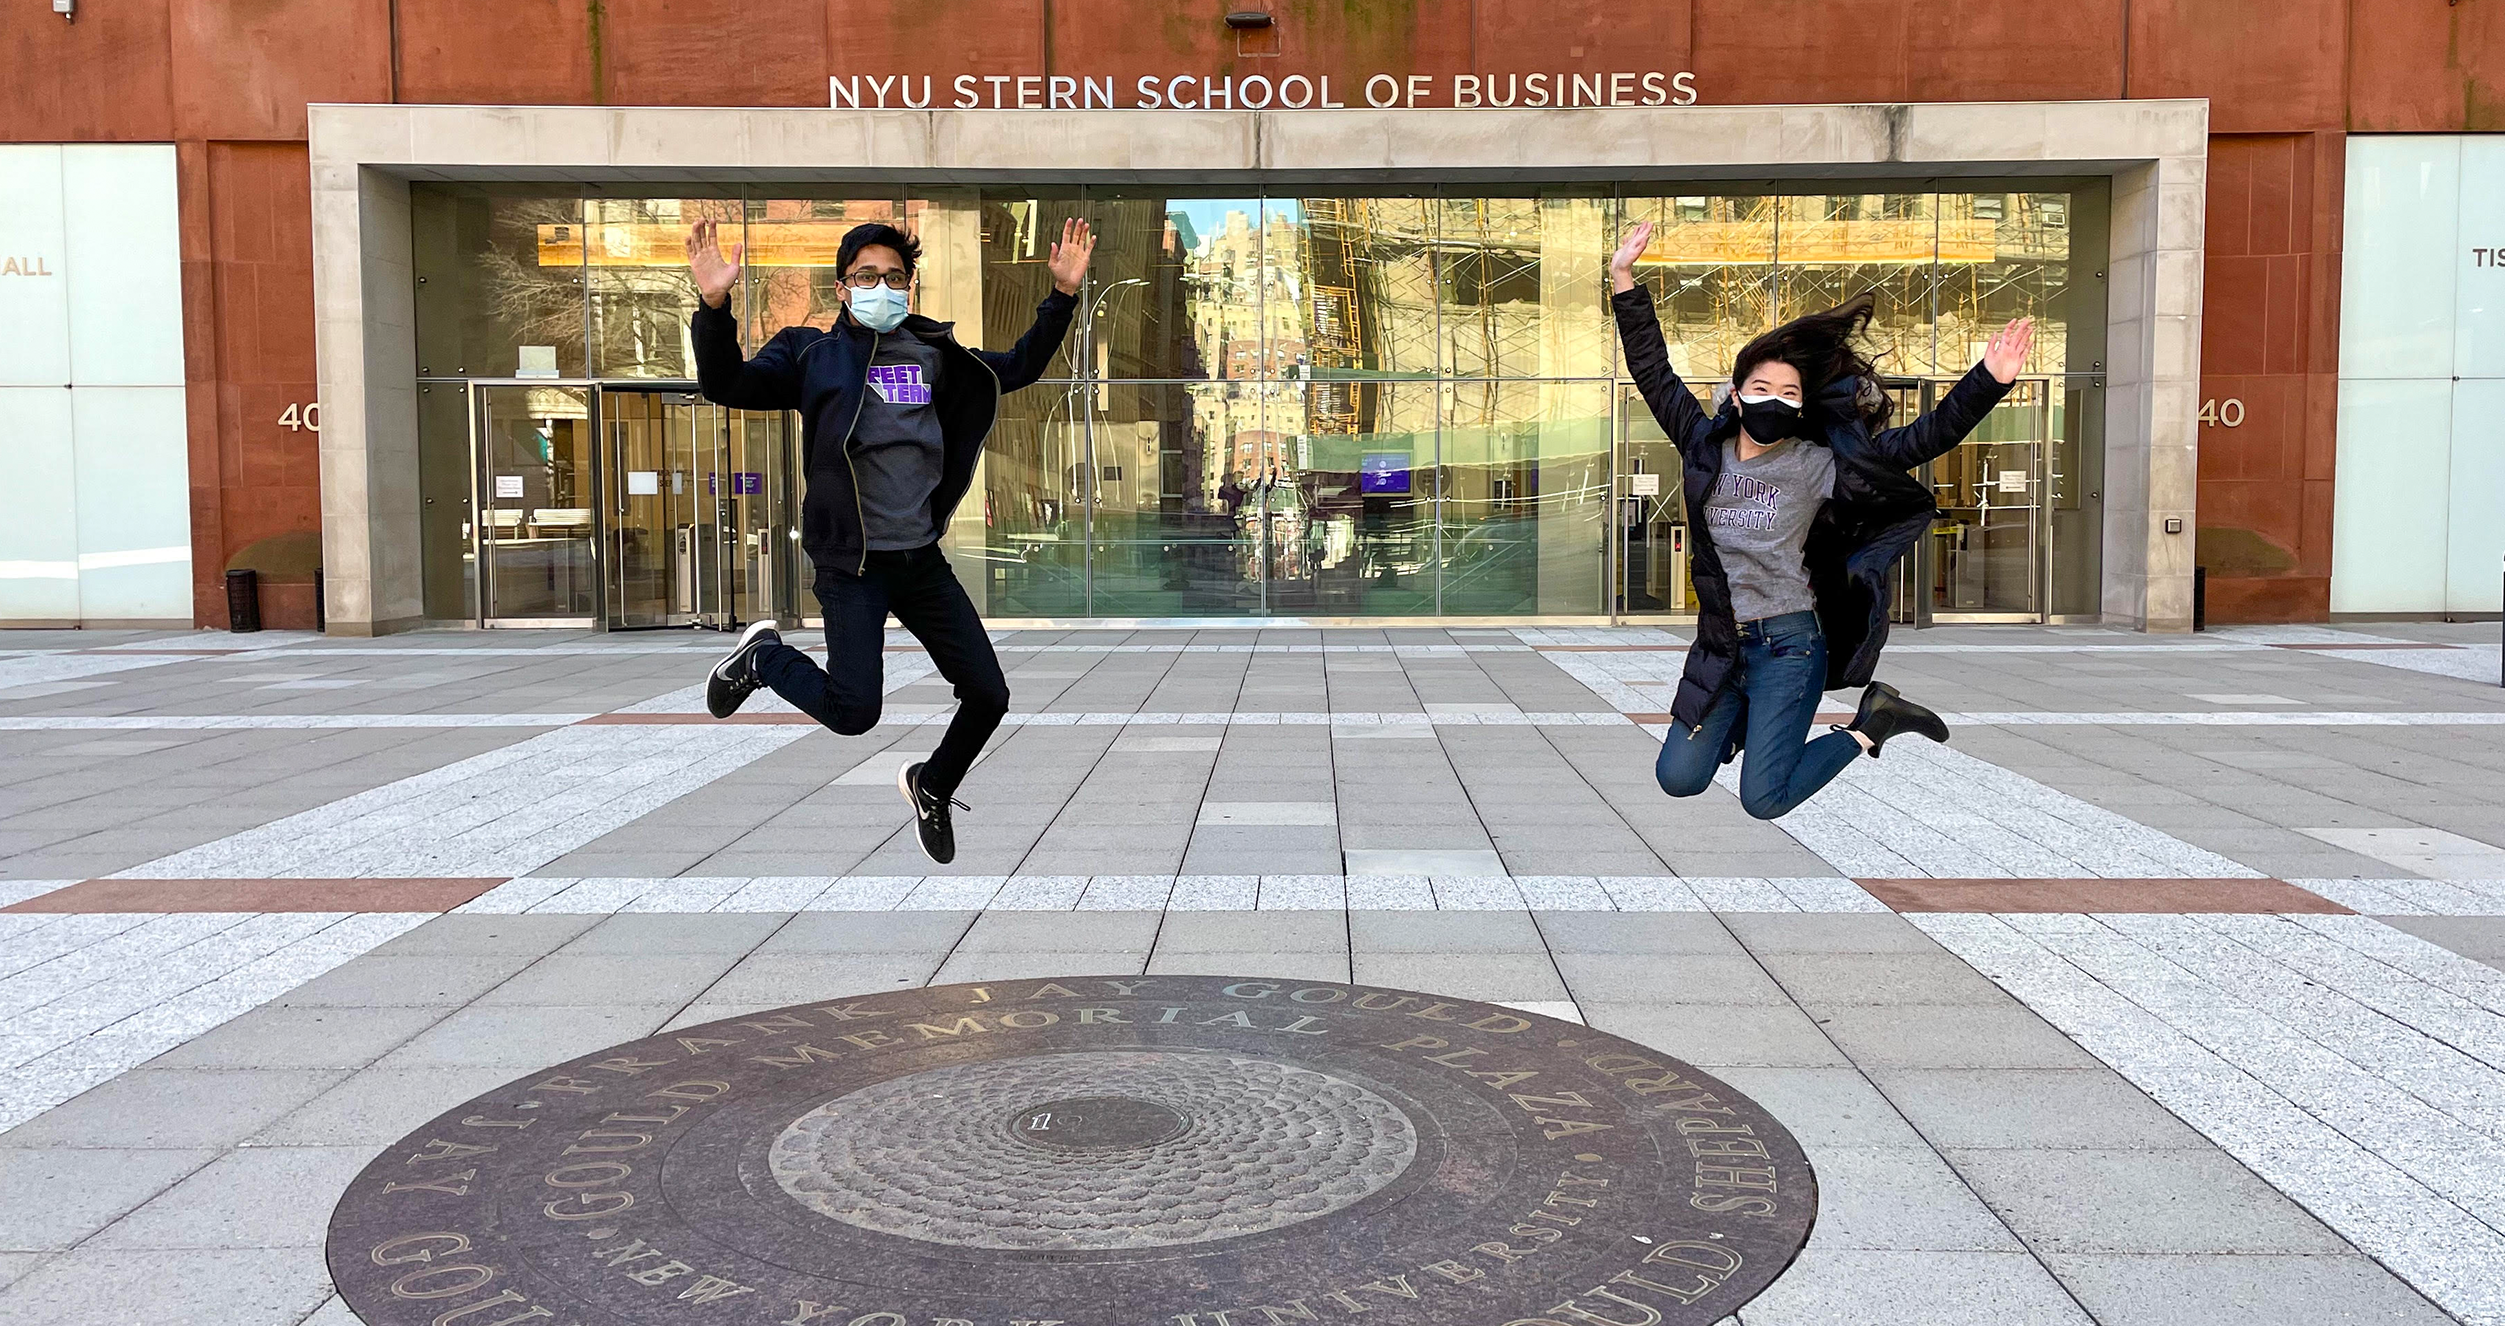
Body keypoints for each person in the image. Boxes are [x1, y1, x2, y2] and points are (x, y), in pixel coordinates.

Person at [690, 215, 1096, 863]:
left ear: (910, 285)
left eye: (894, 277)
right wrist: (714, 305)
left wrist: (1063, 297)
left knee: (989, 694)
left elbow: (1017, 368)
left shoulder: (938, 356)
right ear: (842, 288)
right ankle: (764, 659)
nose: (882, 285)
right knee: (854, 712)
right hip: (850, 562)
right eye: (867, 276)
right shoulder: (809, 353)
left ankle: (932, 785)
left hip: (918, 559)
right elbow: (725, 384)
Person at [1609, 219, 2035, 820]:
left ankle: (1872, 724)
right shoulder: (1702, 446)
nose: (1773, 400)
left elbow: (1919, 441)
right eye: (1760, 387)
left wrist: (1987, 381)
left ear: (1802, 406)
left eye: (1788, 393)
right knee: (1678, 778)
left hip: (1788, 645)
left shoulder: (1819, 464)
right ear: (1736, 395)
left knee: (1765, 798)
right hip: (1722, 644)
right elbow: (1654, 373)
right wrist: (1623, 278)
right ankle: (1749, 718)